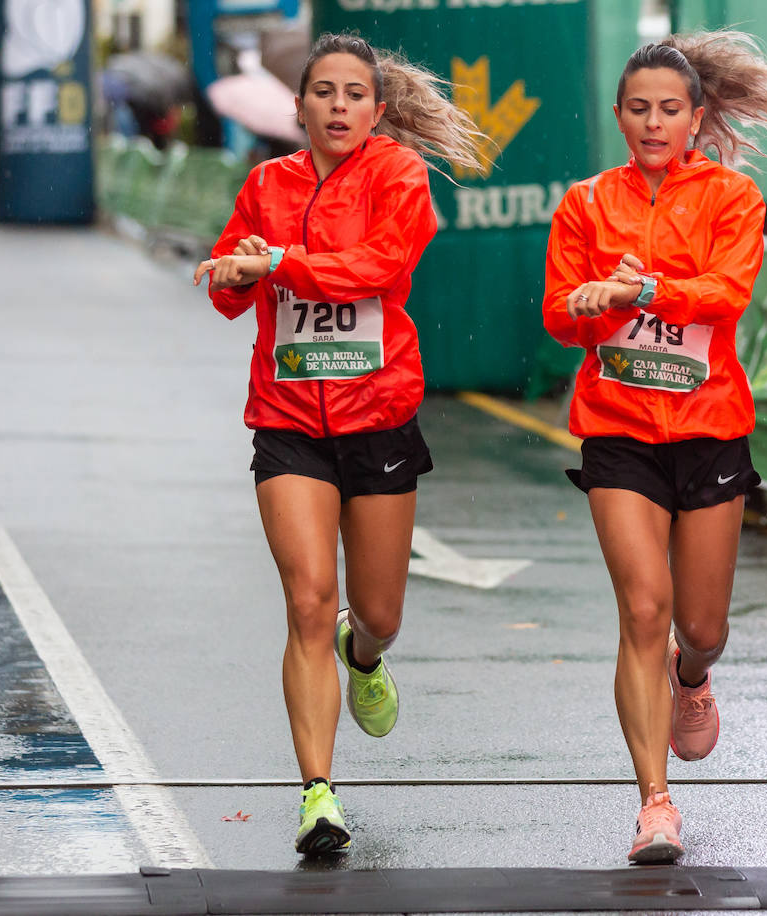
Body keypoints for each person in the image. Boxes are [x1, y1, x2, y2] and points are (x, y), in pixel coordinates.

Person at [193, 32, 485, 856]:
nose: (339, 106)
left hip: (378, 416)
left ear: (377, 109)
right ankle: (318, 793)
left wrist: (282, 260)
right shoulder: (265, 184)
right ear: (300, 105)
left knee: (377, 613)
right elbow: (232, 285)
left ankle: (367, 657)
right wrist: (234, 272)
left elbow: (378, 270)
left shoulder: (400, 178)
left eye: (355, 94)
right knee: (308, 600)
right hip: (287, 421)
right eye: (324, 92)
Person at [543, 32, 767, 865]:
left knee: (698, 626)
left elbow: (726, 295)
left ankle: (691, 676)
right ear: (619, 116)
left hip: (708, 431)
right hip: (618, 429)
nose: (654, 122)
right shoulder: (587, 204)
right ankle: (654, 804)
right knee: (642, 609)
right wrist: (596, 306)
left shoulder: (733, 199)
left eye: (670, 109)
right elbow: (560, 317)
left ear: (697, 117)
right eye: (639, 109)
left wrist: (646, 288)